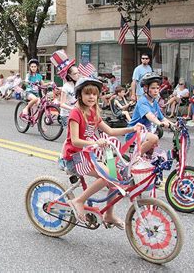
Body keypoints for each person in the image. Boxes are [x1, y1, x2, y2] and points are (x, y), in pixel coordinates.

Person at [62, 77, 144, 226]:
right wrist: (96, 142)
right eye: (87, 93)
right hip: (74, 157)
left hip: (90, 154)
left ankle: (109, 215)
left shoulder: (93, 112)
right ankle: (78, 200)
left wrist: (132, 128)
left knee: (115, 178)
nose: (91, 97)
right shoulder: (76, 113)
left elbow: (111, 131)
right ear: (80, 95)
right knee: (107, 177)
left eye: (94, 94)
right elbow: (75, 141)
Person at [126, 72, 172, 155]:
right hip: (134, 133)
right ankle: (135, 158)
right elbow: (149, 115)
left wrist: (174, 125)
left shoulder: (154, 102)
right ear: (145, 89)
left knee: (152, 155)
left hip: (146, 133)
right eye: (153, 88)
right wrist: (159, 123)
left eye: (157, 88)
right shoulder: (142, 101)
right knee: (154, 138)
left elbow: (162, 117)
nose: (156, 91)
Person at [50, 49, 79, 127]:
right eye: (75, 73)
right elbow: (62, 104)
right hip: (66, 115)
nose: (78, 75)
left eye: (78, 72)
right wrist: (72, 109)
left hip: (77, 114)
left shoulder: (79, 84)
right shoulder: (66, 87)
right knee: (71, 137)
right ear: (69, 76)